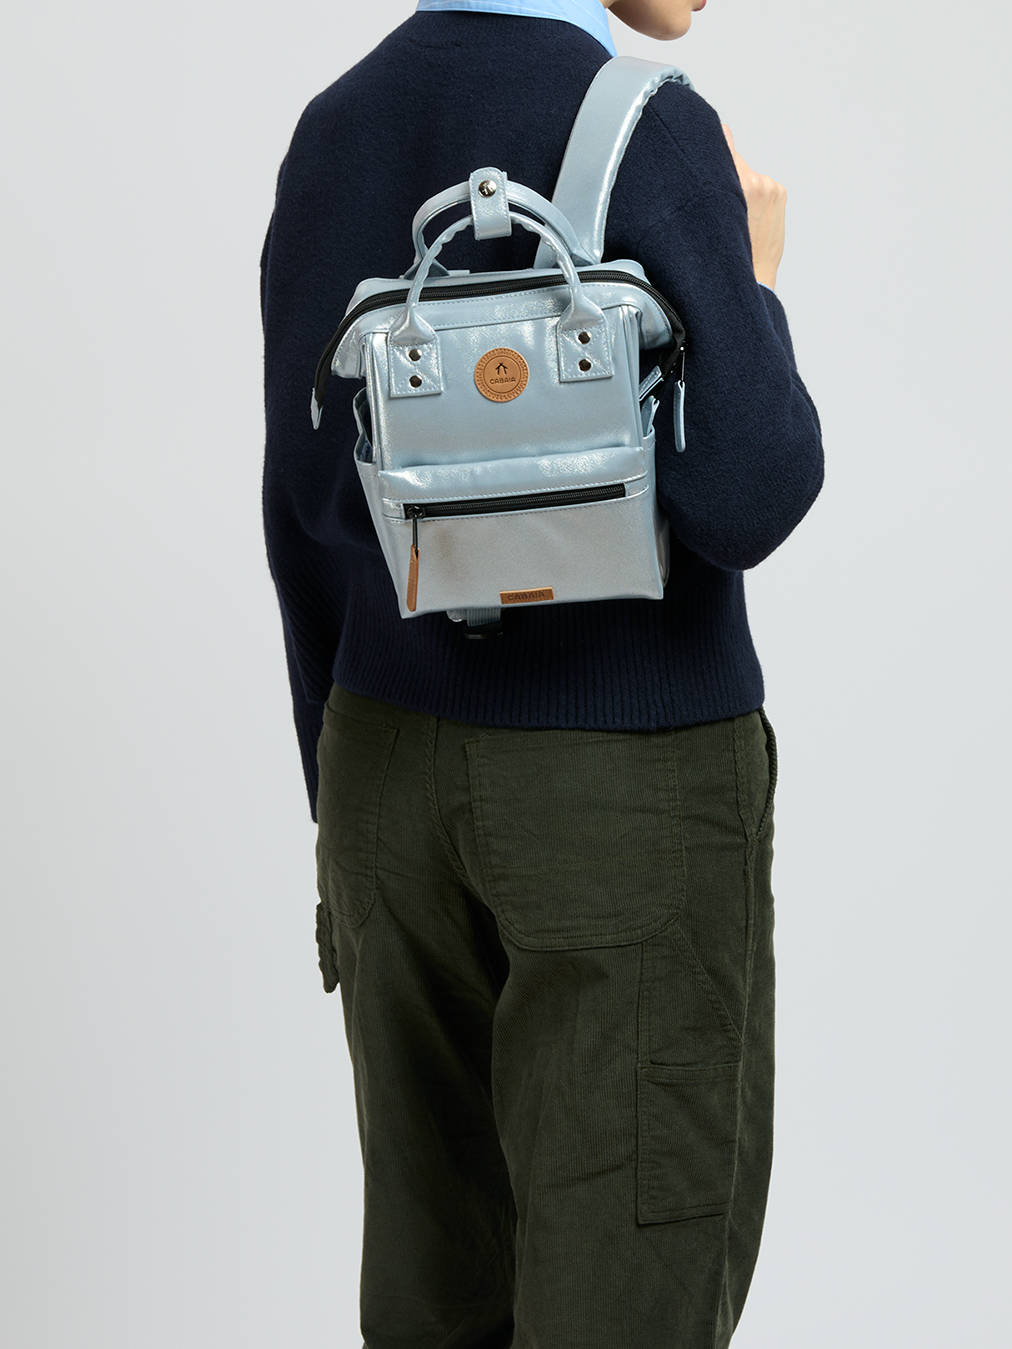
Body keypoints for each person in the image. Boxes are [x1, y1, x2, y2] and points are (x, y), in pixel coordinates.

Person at [260, 1, 823, 1344]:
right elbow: (750, 491)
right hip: (618, 793)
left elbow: (303, 503)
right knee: (629, 1293)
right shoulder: (653, 130)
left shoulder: (336, 128)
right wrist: (756, 281)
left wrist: (343, 807)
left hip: (383, 767)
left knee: (434, 1291)